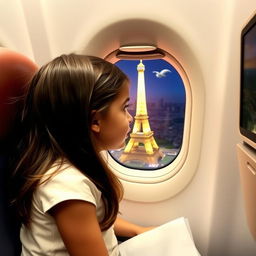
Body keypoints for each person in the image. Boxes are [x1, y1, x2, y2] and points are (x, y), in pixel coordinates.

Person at [11, 54, 153, 256]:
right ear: (95, 121)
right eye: (124, 108)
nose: (130, 117)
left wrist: (138, 231)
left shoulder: (74, 169)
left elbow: (95, 221)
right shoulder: (67, 186)